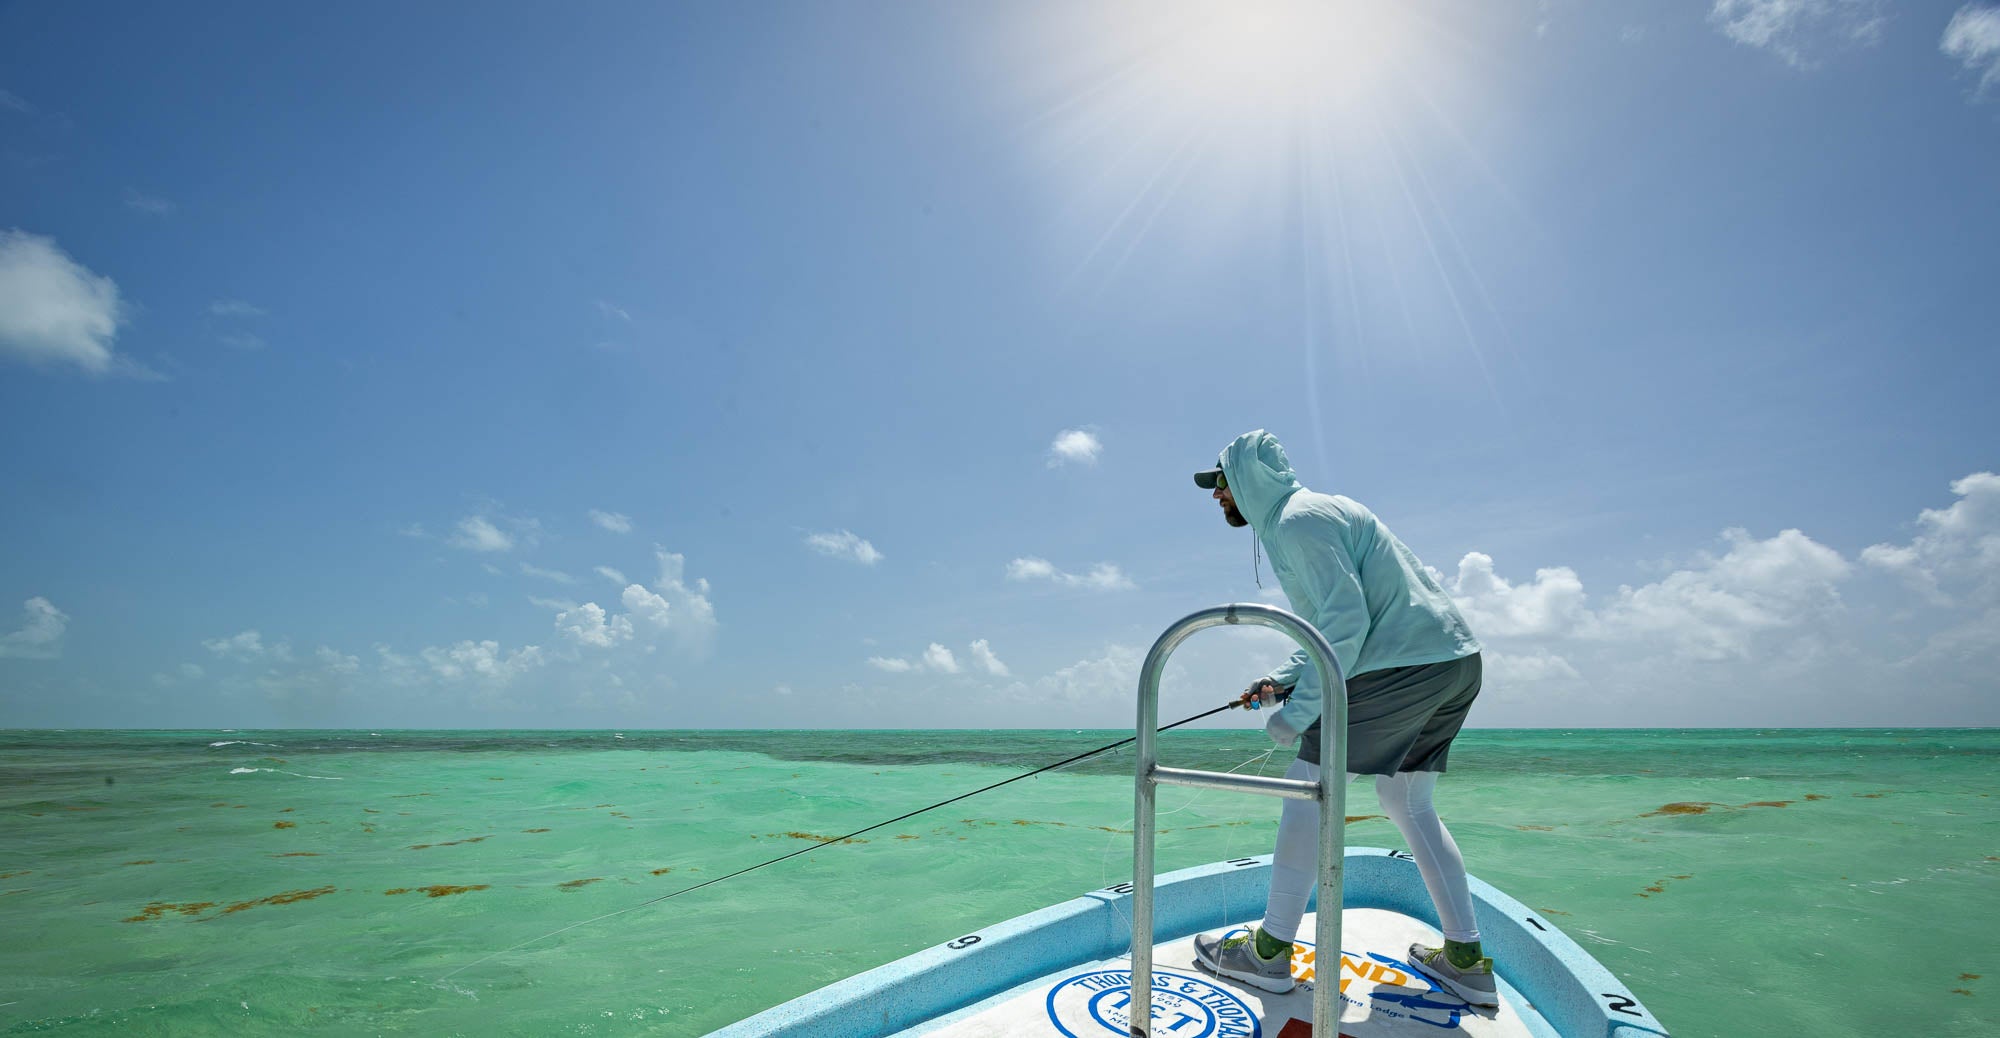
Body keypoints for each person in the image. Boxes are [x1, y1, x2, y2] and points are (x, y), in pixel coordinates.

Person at [1187, 429, 1496, 1008]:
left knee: (1308, 788)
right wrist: (1284, 679)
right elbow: (1333, 625)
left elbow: (1348, 625)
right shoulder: (1314, 513)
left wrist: (1299, 713)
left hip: (1402, 664)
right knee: (1407, 801)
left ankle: (1271, 952)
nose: (1216, 496)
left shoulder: (1297, 522)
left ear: (1247, 480)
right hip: (1452, 661)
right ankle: (1466, 961)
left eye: (1222, 483)